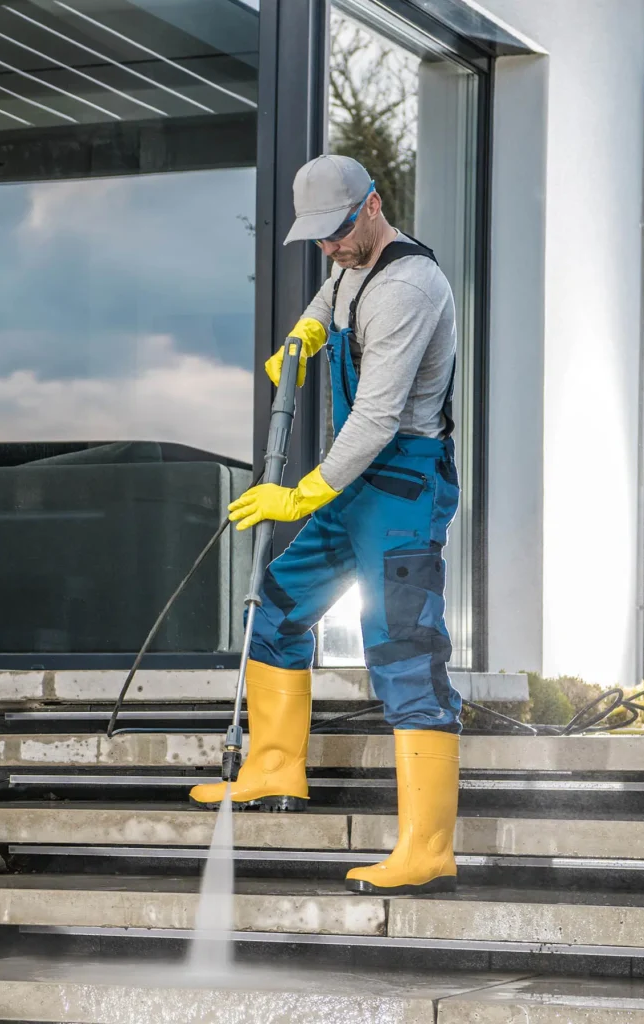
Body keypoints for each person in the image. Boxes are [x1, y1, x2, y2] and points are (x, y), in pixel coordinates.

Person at [191, 154, 461, 897]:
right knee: (276, 608)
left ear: (372, 206)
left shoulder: (408, 287)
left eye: (338, 231)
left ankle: (427, 849)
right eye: (318, 237)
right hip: (354, 482)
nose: (330, 247)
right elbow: (329, 296)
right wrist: (304, 335)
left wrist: (301, 495)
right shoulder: (347, 263)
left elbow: (375, 417)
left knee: (403, 648)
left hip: (401, 485)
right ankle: (274, 769)